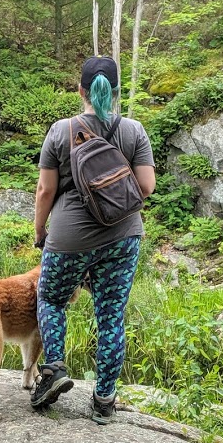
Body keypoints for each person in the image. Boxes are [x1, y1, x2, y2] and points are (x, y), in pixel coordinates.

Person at [31, 55, 156, 424]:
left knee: (52, 299)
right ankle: (104, 399)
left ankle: (54, 370)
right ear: (117, 91)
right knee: (111, 315)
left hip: (69, 237)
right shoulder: (134, 130)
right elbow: (146, 186)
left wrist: (40, 230)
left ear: (80, 90)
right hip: (123, 237)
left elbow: (44, 191)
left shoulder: (61, 131)